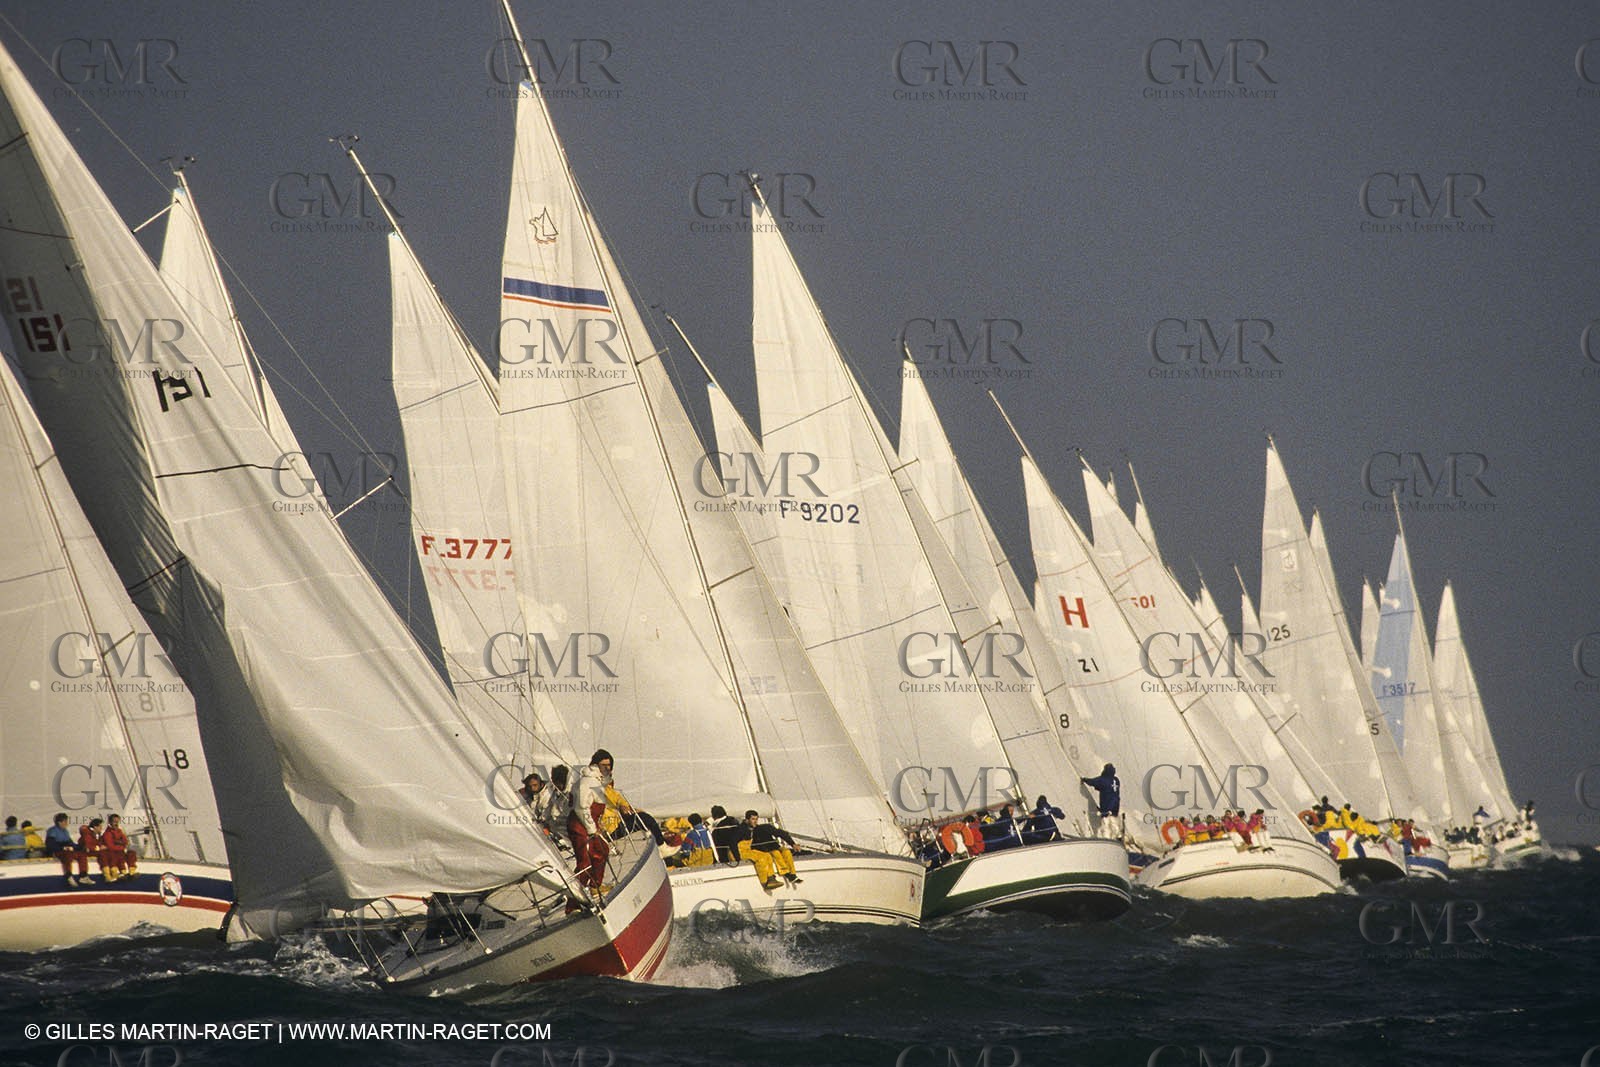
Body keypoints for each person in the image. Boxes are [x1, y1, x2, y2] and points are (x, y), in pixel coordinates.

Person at [571, 750, 615, 894]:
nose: (607, 768)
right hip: (580, 825)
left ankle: (595, 886)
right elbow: (581, 807)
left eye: (609, 765)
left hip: (589, 823)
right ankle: (574, 899)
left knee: (602, 850)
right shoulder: (587, 782)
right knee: (585, 863)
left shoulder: (597, 781)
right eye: (603, 765)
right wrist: (592, 829)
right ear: (595, 765)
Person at [735, 810, 801, 890]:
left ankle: (792, 874)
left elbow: (781, 833)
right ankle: (784, 874)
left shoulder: (764, 827)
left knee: (786, 851)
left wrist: (793, 844)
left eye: (756, 819)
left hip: (773, 847)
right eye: (753, 819)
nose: (755, 821)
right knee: (775, 854)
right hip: (763, 850)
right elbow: (734, 842)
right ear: (747, 820)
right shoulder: (743, 830)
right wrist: (736, 856)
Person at [44, 813, 88, 886]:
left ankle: (83, 875)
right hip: (58, 851)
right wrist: (62, 848)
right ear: (59, 822)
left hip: (67, 849)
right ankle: (68, 875)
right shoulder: (52, 831)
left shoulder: (65, 831)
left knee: (81, 854)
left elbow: (70, 843)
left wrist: (79, 847)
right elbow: (50, 844)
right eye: (65, 821)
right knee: (67, 855)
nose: (67, 823)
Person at [99, 814, 138, 882]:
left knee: (131, 853)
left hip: (119, 852)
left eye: (117, 822)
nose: (116, 824)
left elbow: (125, 842)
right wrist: (120, 844)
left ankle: (132, 872)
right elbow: (111, 846)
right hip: (112, 854)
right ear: (110, 822)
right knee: (114, 854)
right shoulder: (107, 833)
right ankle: (117, 873)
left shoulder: (119, 831)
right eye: (114, 822)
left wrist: (118, 843)